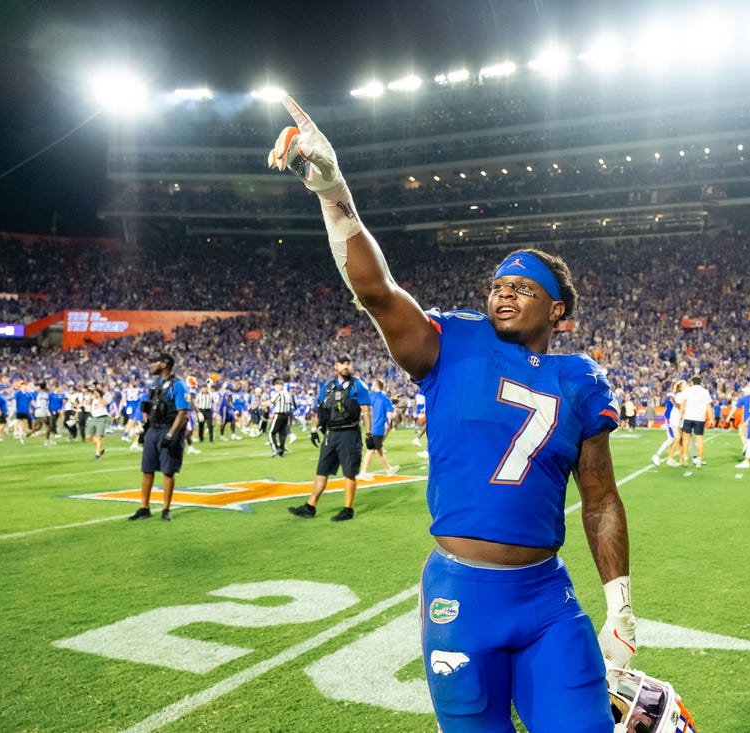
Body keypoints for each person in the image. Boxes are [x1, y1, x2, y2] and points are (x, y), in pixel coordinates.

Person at [270, 96, 633, 732]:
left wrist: (621, 606)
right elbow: (376, 292)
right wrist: (334, 192)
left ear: (556, 311)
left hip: (548, 598)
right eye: (497, 285)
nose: (503, 293)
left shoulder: (580, 378)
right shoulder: (451, 341)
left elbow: (599, 498)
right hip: (460, 594)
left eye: (522, 288)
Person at [288, 354, 371, 521]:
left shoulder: (357, 385)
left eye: (348, 363)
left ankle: (348, 509)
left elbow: (366, 410)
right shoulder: (327, 386)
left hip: (349, 432)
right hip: (331, 433)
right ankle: (310, 506)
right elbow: (320, 409)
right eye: (342, 363)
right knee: (322, 471)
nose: (346, 366)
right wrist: (313, 429)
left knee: (349, 472)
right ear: (336, 366)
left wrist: (369, 434)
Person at [129, 353, 190, 522]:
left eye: (154, 362)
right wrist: (145, 430)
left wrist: (171, 435)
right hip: (153, 430)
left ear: (164, 364)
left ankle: (166, 509)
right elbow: (150, 409)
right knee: (147, 469)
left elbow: (183, 413)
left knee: (168, 471)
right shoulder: (156, 384)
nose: (151, 365)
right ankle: (144, 507)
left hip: (168, 429)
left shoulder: (179, 385)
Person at [357, 377, 398, 481]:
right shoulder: (386, 399)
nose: (371, 385)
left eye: (373, 384)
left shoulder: (370, 397)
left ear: (376, 386)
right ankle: (363, 472)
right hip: (379, 427)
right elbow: (390, 416)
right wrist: (395, 411)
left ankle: (388, 469)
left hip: (371, 426)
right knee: (372, 450)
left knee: (377, 450)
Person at [678, 375, 714, 469]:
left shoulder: (688, 390)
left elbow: (683, 403)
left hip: (688, 417)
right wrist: (711, 418)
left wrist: (680, 415)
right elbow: (709, 406)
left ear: (692, 382)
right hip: (699, 418)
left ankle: (685, 458)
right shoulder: (705, 391)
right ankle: (699, 459)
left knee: (686, 438)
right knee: (700, 439)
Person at [269, 377, 295, 457]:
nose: (275, 388)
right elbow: (291, 406)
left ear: (280, 385)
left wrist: (263, 404)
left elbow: (271, 402)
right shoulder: (288, 394)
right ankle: (282, 450)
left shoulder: (279, 393)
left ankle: (275, 448)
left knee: (271, 433)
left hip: (279, 414)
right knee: (282, 433)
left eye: (276, 386)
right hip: (286, 415)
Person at [84, 383, 110, 459]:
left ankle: (97, 454)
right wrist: (91, 396)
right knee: (88, 436)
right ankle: (101, 449)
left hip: (102, 418)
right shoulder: (92, 396)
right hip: (93, 417)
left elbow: (104, 404)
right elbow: (88, 403)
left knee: (99, 437)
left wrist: (98, 396)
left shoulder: (106, 395)